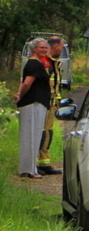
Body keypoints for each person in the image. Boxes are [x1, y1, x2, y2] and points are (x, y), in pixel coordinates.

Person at [13, 39, 51, 179]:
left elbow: (23, 82)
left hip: (35, 103)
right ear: (34, 49)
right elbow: (27, 83)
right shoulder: (34, 64)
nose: (44, 50)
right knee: (31, 136)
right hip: (33, 104)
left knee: (32, 136)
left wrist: (19, 94)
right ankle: (29, 170)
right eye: (41, 47)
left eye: (46, 47)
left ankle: (29, 168)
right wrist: (20, 96)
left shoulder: (35, 63)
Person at [36, 36, 66, 175]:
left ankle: (44, 162)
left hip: (50, 103)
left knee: (47, 132)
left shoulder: (53, 62)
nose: (62, 48)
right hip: (43, 103)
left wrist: (57, 101)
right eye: (62, 46)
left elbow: (55, 85)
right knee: (41, 132)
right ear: (55, 47)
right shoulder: (45, 62)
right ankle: (37, 163)